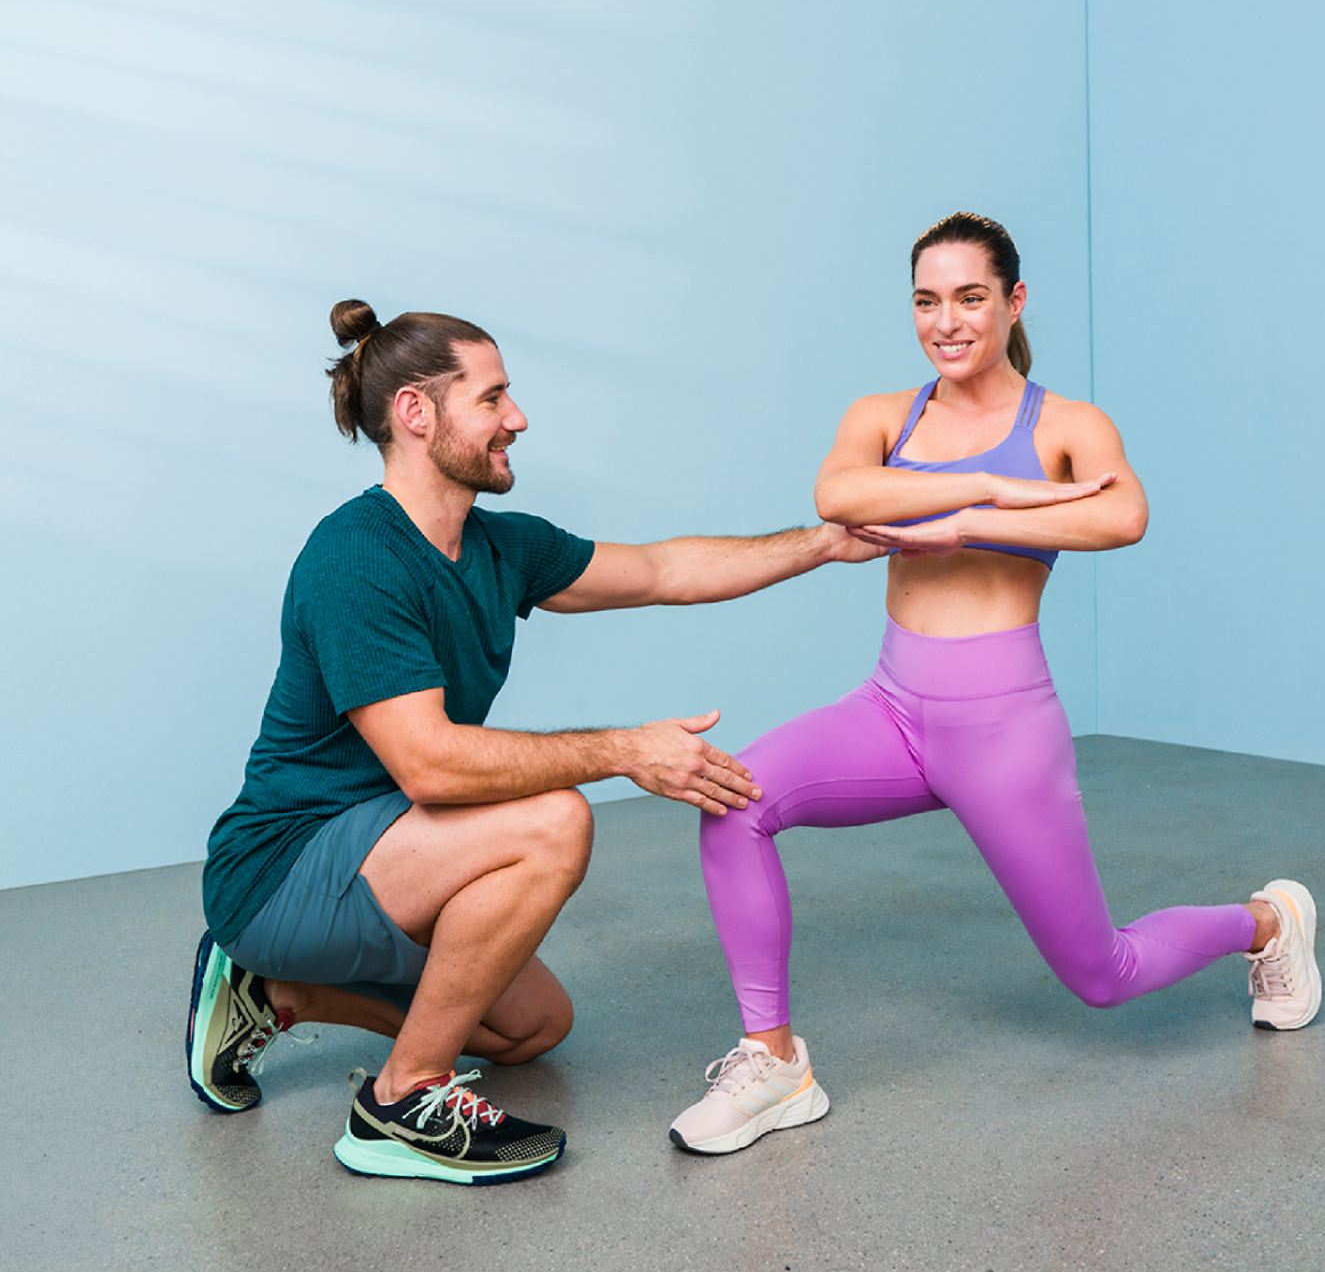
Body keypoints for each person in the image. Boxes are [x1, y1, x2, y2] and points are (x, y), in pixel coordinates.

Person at [669, 211, 1321, 1156]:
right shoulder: (884, 415)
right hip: (890, 713)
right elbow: (840, 497)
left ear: (1014, 303)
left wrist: (967, 525)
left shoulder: (1066, 425)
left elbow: (1125, 515)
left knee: (1104, 975)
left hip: (1005, 732)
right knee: (732, 802)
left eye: (970, 297)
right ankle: (774, 1063)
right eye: (927, 301)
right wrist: (1004, 496)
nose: (947, 321)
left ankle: (1268, 921)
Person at [188, 300, 879, 1184]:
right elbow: (430, 764)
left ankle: (276, 994)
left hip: (389, 855)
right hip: (282, 868)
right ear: (416, 413)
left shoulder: (500, 547)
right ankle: (399, 1104)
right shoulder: (354, 558)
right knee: (552, 821)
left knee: (531, 1030)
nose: (517, 418)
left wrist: (822, 543)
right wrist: (626, 750)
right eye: (493, 397)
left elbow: (666, 569)